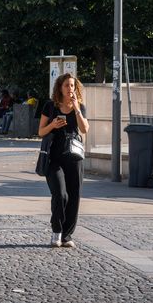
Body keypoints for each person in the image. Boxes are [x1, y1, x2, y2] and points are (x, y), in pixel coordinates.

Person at [39, 73, 89, 249]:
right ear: (60, 87)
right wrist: (53, 125)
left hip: (74, 158)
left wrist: (76, 108)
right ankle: (56, 231)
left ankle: (67, 235)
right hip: (54, 157)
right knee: (60, 194)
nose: (70, 89)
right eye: (67, 85)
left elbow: (84, 129)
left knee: (74, 196)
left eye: (73, 86)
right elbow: (41, 132)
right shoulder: (50, 106)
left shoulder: (80, 107)